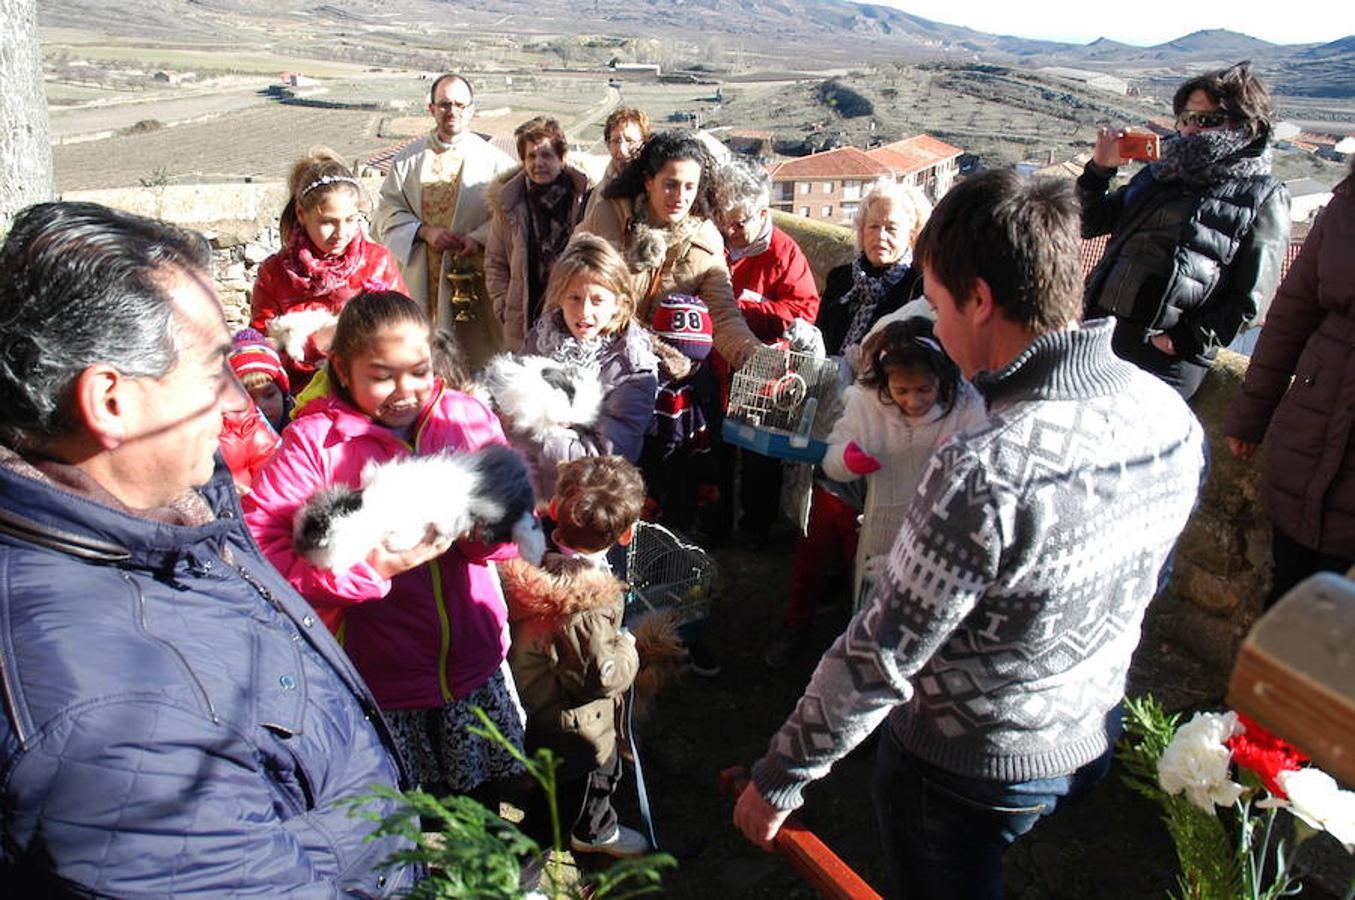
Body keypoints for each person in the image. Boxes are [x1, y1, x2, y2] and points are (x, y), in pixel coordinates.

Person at [733, 170, 1208, 899]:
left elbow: (880, 652)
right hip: (1087, 730)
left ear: (980, 299)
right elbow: (1149, 579)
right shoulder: (1164, 413)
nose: (930, 322)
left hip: (969, 766)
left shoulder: (987, 462)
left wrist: (780, 777)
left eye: (935, 300)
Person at [0, 201, 413, 894]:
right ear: (111, 402)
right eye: (214, 367)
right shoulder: (112, 729)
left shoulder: (160, 506)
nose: (234, 402)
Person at [243, 290, 528, 804]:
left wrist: (485, 538)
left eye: (419, 370)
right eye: (381, 376)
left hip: (472, 660)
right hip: (381, 675)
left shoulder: (465, 417)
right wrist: (370, 569)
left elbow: (508, 508)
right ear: (342, 368)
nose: (405, 391)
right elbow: (264, 553)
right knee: (401, 811)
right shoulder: (315, 444)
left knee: (482, 797)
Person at [766, 317, 987, 668]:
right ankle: (855, 647)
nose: (913, 401)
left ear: (941, 381)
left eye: (923, 391)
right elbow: (836, 453)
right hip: (874, 510)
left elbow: (984, 457)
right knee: (864, 584)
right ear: (886, 384)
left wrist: (961, 459)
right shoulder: (867, 402)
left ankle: (912, 658)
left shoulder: (964, 406)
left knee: (921, 593)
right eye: (902, 392)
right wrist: (846, 459)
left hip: (935, 517)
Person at [1079, 62, 1290, 400]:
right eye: (1185, 118)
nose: (1191, 129)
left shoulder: (1261, 194)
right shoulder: (1161, 172)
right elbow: (1089, 224)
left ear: (1245, 125)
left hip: (1163, 359)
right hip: (1101, 334)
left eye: (1206, 120)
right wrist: (1099, 172)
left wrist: (1184, 341)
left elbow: (1252, 300)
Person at [499, 455, 649, 859]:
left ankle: (593, 827)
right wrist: (629, 649)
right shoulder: (586, 603)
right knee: (566, 799)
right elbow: (598, 677)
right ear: (626, 535)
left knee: (572, 782)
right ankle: (531, 867)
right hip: (574, 729)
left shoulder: (532, 553)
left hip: (535, 698)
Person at [1225, 162, 1355, 606]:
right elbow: (1291, 316)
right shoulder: (1345, 207)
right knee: (1289, 593)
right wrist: (1250, 415)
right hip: (1311, 435)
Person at [490, 233, 659, 500]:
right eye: (574, 298)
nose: (584, 312)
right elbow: (505, 405)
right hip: (528, 491)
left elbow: (609, 457)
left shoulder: (630, 367)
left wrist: (539, 433)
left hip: (586, 506)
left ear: (619, 303)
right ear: (559, 297)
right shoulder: (543, 336)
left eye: (598, 300)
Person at [577, 129, 762, 371]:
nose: (680, 197)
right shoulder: (610, 217)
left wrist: (755, 357)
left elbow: (723, 315)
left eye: (689, 187)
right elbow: (576, 289)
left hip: (658, 373)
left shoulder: (704, 243)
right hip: (593, 357)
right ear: (648, 182)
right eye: (670, 185)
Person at [713, 158, 821, 545]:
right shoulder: (716, 241)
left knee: (761, 458)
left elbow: (804, 310)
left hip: (767, 368)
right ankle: (717, 523)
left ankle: (756, 528)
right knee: (717, 451)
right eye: (725, 220)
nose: (731, 230)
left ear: (762, 212)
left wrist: (744, 308)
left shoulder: (783, 252)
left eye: (740, 222)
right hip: (719, 362)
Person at [250, 148, 408, 391]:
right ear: (301, 214)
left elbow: (405, 332)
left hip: (369, 395)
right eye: (328, 222)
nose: (341, 233)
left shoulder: (378, 262)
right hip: (300, 401)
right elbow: (261, 355)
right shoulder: (275, 274)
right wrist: (315, 343)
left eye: (350, 219)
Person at [374, 72, 516, 324]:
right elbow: (387, 210)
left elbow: (511, 216)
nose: (453, 111)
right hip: (420, 276)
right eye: (445, 104)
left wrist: (477, 239)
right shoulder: (408, 160)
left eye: (460, 104)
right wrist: (423, 232)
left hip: (473, 274)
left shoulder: (497, 163)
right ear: (432, 109)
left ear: (471, 110)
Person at [486, 116, 593, 352]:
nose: (538, 163)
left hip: (575, 316)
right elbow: (495, 261)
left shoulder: (585, 199)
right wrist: (504, 304)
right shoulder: (509, 205)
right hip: (523, 319)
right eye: (531, 156)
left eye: (546, 155)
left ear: (562, 158)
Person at [818, 180, 933, 375]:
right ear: (861, 232)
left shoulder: (918, 286)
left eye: (891, 228)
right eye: (873, 226)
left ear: (911, 236)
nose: (880, 236)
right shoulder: (840, 278)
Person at [584, 106, 652, 219]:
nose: (622, 149)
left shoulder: (654, 189)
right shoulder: (596, 195)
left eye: (630, 141)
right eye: (615, 141)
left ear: (644, 143)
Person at [229, 327, 293, 432]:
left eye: (269, 395)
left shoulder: (303, 433)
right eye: (248, 398)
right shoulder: (220, 444)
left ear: (284, 395)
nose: (260, 406)